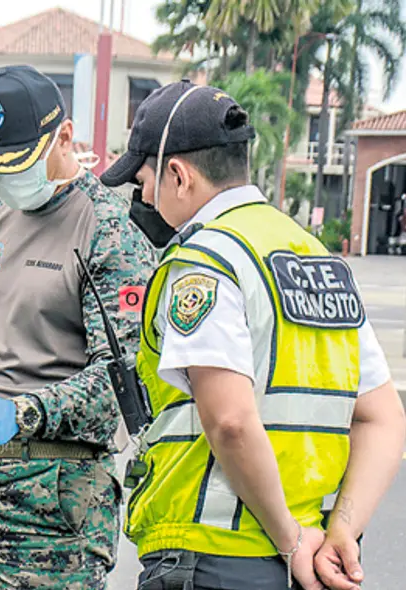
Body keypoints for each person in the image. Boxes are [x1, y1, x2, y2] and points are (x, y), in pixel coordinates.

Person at [99, 80, 406, 590]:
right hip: (306, 560)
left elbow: (232, 422)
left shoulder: (207, 259)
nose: (142, 198)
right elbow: (384, 417)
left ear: (178, 175)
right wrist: (340, 532)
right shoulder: (319, 261)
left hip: (211, 555)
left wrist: (289, 541)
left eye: (144, 181)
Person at [0, 65, 157, 588]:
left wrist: (26, 412)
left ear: (64, 135)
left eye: (16, 161)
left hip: (50, 505)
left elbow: (125, 380)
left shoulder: (108, 232)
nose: (4, 178)